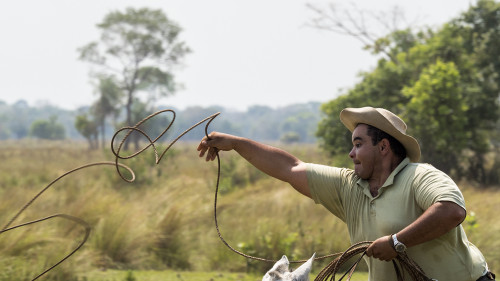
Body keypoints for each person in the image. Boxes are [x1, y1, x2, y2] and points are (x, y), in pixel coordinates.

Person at [197, 106, 495, 281]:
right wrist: (236, 143)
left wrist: (396, 242)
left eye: (358, 143)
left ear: (383, 147)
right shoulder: (348, 186)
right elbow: (290, 168)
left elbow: (451, 211)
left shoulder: (421, 176)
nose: (351, 153)